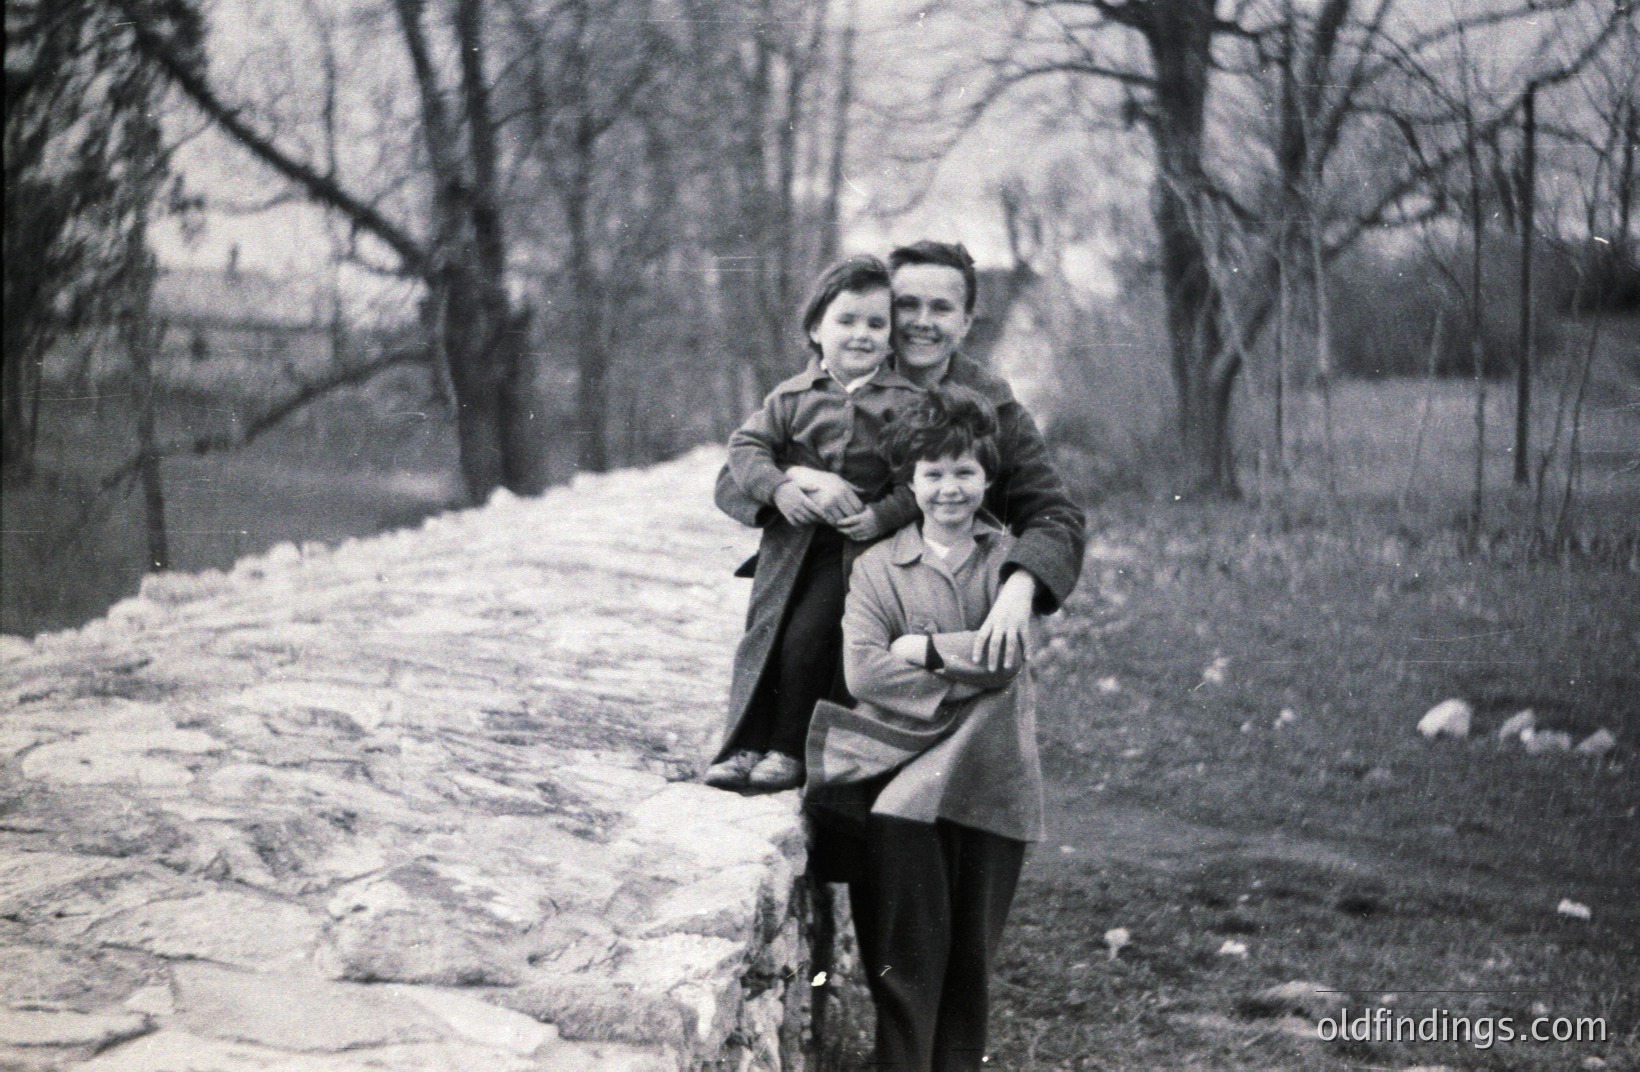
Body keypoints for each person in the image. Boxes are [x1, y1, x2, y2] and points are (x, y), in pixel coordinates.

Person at [805, 386, 1040, 1071]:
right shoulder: (879, 565)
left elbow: (1013, 657)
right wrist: (964, 678)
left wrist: (927, 651)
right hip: (905, 779)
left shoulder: (1008, 562)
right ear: (910, 481)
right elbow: (864, 673)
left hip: (996, 778)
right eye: (933, 474)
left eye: (965, 473)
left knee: (971, 955)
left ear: (988, 477)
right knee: (906, 957)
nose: (949, 490)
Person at [704, 255, 923, 792]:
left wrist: (879, 517)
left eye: (876, 324)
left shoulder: (906, 403)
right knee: (768, 637)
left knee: (809, 638)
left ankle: (788, 749)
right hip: (789, 548)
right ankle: (743, 745)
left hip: (851, 552)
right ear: (814, 329)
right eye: (846, 321)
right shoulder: (791, 397)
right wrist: (780, 488)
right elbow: (745, 447)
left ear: (892, 337)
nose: (861, 334)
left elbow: (917, 482)